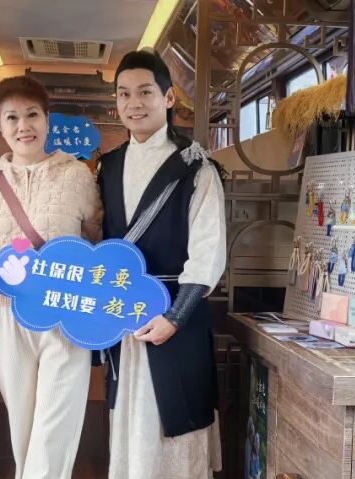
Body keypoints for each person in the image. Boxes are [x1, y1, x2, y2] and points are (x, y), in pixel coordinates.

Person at [0, 75, 102, 479]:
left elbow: (99, 239)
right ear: (0, 127)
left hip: (64, 313)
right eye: (12, 118)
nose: (24, 126)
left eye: (32, 115)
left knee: (55, 427)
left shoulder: (78, 176)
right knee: (22, 425)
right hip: (5, 313)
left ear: (47, 120)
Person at [96, 49, 227, 478]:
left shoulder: (195, 167)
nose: (133, 103)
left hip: (175, 314)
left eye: (145, 92)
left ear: (168, 98)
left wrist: (175, 317)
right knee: (129, 422)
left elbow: (208, 249)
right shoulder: (107, 166)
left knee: (176, 424)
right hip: (124, 315)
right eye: (124, 94)